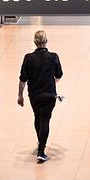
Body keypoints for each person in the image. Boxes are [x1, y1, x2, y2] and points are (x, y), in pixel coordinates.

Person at [17, 30, 63, 163]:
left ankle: (40, 143)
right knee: (45, 120)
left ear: (35, 42)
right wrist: (51, 82)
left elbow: (23, 79)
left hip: (34, 95)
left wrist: (20, 95)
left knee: (37, 117)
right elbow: (59, 74)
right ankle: (41, 150)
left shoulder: (28, 58)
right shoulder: (53, 57)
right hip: (49, 94)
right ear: (46, 41)